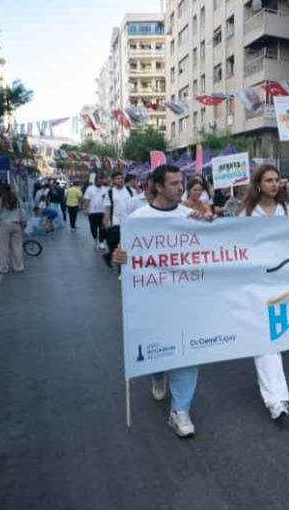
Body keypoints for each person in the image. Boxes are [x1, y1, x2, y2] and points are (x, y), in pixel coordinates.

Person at [111, 165, 214, 438]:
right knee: (158, 350)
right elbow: (125, 256)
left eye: (182, 183)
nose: (180, 188)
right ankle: (157, 375)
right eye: (174, 184)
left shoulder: (191, 216)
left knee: (187, 350)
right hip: (152, 301)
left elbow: (211, 249)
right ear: (157, 186)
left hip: (186, 300)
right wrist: (118, 258)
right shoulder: (138, 219)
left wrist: (209, 225)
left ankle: (180, 410)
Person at [237, 157, 289, 422]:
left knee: (275, 336)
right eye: (268, 180)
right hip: (257, 281)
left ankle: (273, 391)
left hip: (283, 278)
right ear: (258, 184)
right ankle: (277, 400)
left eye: (276, 180)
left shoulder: (284, 207)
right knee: (267, 339)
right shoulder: (246, 213)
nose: (274, 184)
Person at [103, 171, 135, 268]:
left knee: (125, 245)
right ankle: (109, 256)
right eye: (118, 178)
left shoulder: (130, 190)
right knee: (114, 243)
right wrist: (106, 221)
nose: (120, 180)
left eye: (121, 178)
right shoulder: (110, 192)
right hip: (116, 222)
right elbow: (107, 209)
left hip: (129, 222)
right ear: (113, 180)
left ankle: (121, 268)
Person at [0, 184, 26, 274]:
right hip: (16, 224)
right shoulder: (16, 198)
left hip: (3, 225)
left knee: (3, 247)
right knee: (17, 246)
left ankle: (2, 267)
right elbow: (22, 212)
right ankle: (18, 266)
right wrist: (23, 223)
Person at [83, 175, 108, 249]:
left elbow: (107, 200)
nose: (100, 181)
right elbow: (87, 199)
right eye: (98, 180)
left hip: (102, 211)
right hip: (92, 212)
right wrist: (86, 209)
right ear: (95, 181)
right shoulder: (90, 189)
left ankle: (101, 242)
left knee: (102, 228)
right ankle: (95, 239)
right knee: (93, 227)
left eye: (101, 180)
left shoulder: (105, 189)